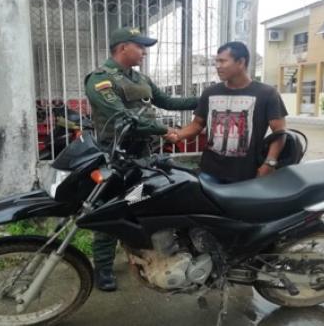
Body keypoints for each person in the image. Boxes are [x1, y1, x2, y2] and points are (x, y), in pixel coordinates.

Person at [85, 27, 198, 291]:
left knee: (140, 204)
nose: (145, 52)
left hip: (142, 157)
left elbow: (168, 101)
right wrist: (164, 131)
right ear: (123, 47)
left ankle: (141, 255)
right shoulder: (100, 80)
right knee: (109, 210)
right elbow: (123, 117)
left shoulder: (140, 78)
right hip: (113, 158)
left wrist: (205, 99)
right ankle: (102, 267)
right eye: (140, 46)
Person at [165, 41, 287, 183]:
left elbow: (279, 132)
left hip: (248, 173)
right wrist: (178, 134)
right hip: (210, 172)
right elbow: (197, 124)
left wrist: (269, 163)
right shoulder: (210, 92)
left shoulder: (267, 93)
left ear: (241, 62)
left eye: (222, 61)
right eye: (216, 62)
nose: (217, 66)